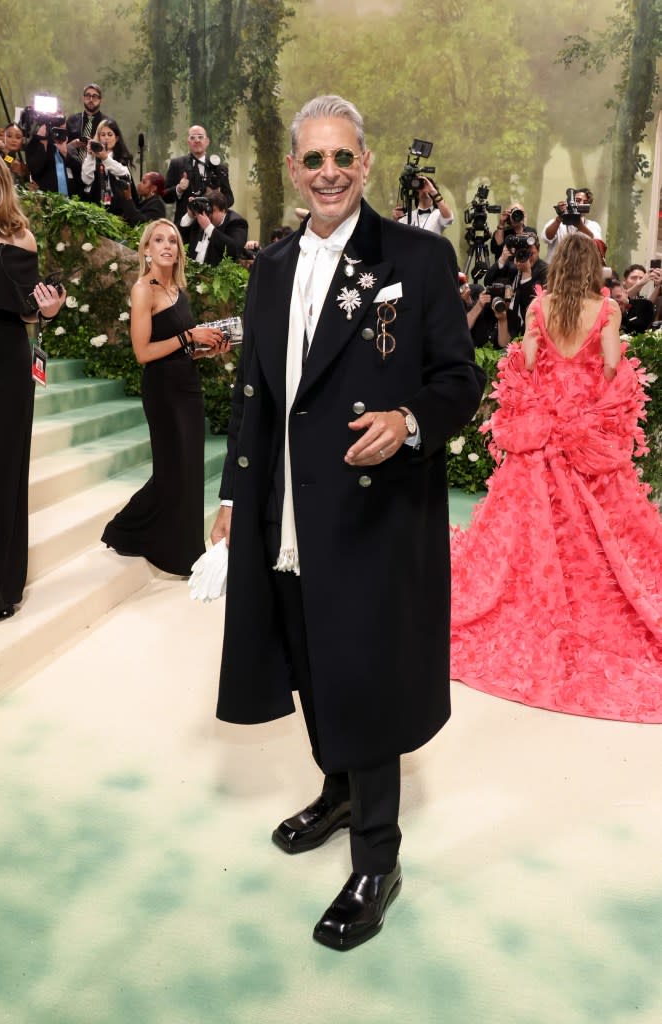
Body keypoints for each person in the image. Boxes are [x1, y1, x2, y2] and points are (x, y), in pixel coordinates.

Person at [209, 95, 485, 951]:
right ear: (294, 170)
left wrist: (406, 423)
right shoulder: (272, 266)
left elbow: (459, 382)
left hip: (371, 514)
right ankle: (338, 791)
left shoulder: (417, 256)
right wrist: (229, 494)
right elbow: (255, 394)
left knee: (364, 673)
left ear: (365, 164)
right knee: (307, 655)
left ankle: (378, 857)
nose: (328, 172)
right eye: (312, 160)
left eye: (342, 158)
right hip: (283, 506)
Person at [450, 233, 662, 721]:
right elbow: (611, 363)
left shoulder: (539, 307)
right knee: (601, 526)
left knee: (529, 522)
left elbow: (524, 362)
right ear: (591, 267)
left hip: (542, 429)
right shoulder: (606, 309)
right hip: (586, 428)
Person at [101, 219, 228, 575]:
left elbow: (180, 348)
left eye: (173, 240)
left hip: (187, 384)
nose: (167, 245)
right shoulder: (144, 289)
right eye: (158, 240)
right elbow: (143, 352)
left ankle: (162, 541)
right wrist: (190, 337)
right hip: (162, 390)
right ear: (146, 250)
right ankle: (142, 537)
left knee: (186, 469)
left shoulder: (178, 292)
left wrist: (207, 350)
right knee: (174, 469)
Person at [0, 144, 66, 618]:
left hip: (7, 370)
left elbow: (29, 308)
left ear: (0, 181)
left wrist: (48, 310)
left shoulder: (22, 239)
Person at [164, 125, 234, 230]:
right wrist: (178, 189)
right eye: (192, 137)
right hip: (185, 227)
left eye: (200, 137)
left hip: (211, 227)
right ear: (188, 142)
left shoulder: (219, 167)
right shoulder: (177, 164)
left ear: (207, 141)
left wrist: (217, 197)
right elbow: (165, 197)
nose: (197, 140)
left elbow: (230, 199)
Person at [81, 119, 135, 213]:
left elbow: (124, 174)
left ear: (116, 138)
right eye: (103, 135)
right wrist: (90, 156)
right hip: (95, 206)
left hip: (118, 207)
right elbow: (86, 179)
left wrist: (105, 158)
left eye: (110, 135)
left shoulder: (121, 157)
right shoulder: (92, 157)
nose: (106, 138)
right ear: (98, 137)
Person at [180, 190, 248, 264]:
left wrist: (209, 228)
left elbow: (234, 250)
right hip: (192, 271)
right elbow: (180, 238)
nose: (208, 214)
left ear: (223, 210)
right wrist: (189, 216)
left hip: (217, 274)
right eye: (207, 209)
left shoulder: (237, 223)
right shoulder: (201, 218)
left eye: (212, 210)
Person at [541, 188, 603, 263]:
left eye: (585, 202)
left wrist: (580, 226)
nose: (581, 204)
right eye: (578, 200)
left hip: (581, 271)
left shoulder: (593, 225)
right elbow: (546, 238)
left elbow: (598, 246)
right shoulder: (557, 223)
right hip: (556, 271)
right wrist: (559, 218)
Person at [25, 117, 81, 196]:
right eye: (57, 128)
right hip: (45, 201)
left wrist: (65, 154)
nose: (60, 132)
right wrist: (42, 140)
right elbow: (35, 169)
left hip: (69, 203)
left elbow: (79, 171)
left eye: (63, 130)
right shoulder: (35, 145)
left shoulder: (68, 147)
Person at [66, 84, 110, 162]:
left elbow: (113, 149)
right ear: (83, 98)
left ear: (100, 100)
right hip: (73, 168)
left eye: (95, 96)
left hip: (99, 168)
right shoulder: (72, 120)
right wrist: (72, 145)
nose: (91, 99)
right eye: (88, 96)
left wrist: (96, 146)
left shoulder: (108, 123)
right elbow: (61, 147)